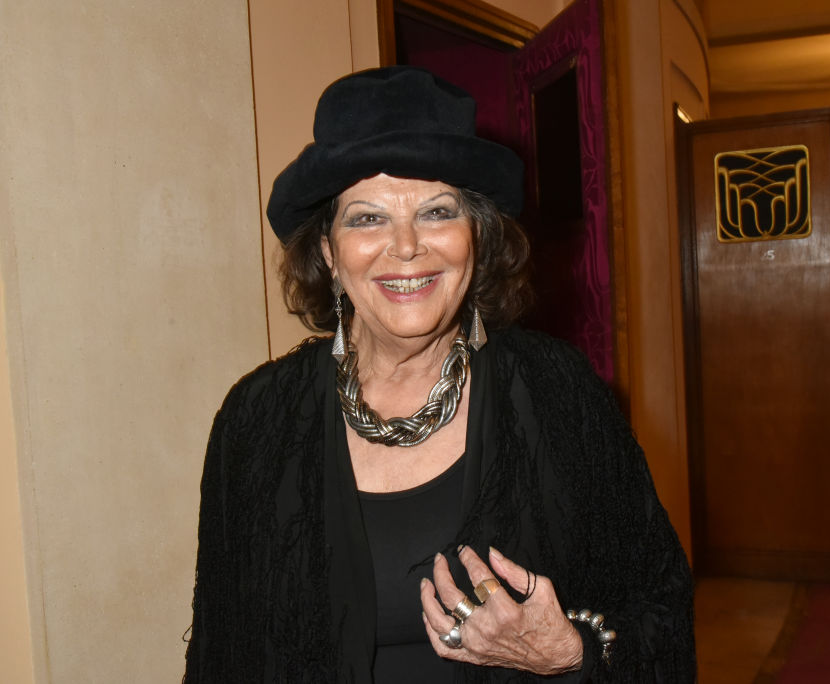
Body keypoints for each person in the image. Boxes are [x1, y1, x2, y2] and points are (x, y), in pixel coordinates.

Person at [183, 66, 695, 682]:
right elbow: (221, 653)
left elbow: (663, 615)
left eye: (436, 212)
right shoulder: (254, 420)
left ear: (475, 234)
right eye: (367, 218)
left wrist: (567, 654)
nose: (406, 246)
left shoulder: (559, 392)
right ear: (327, 250)